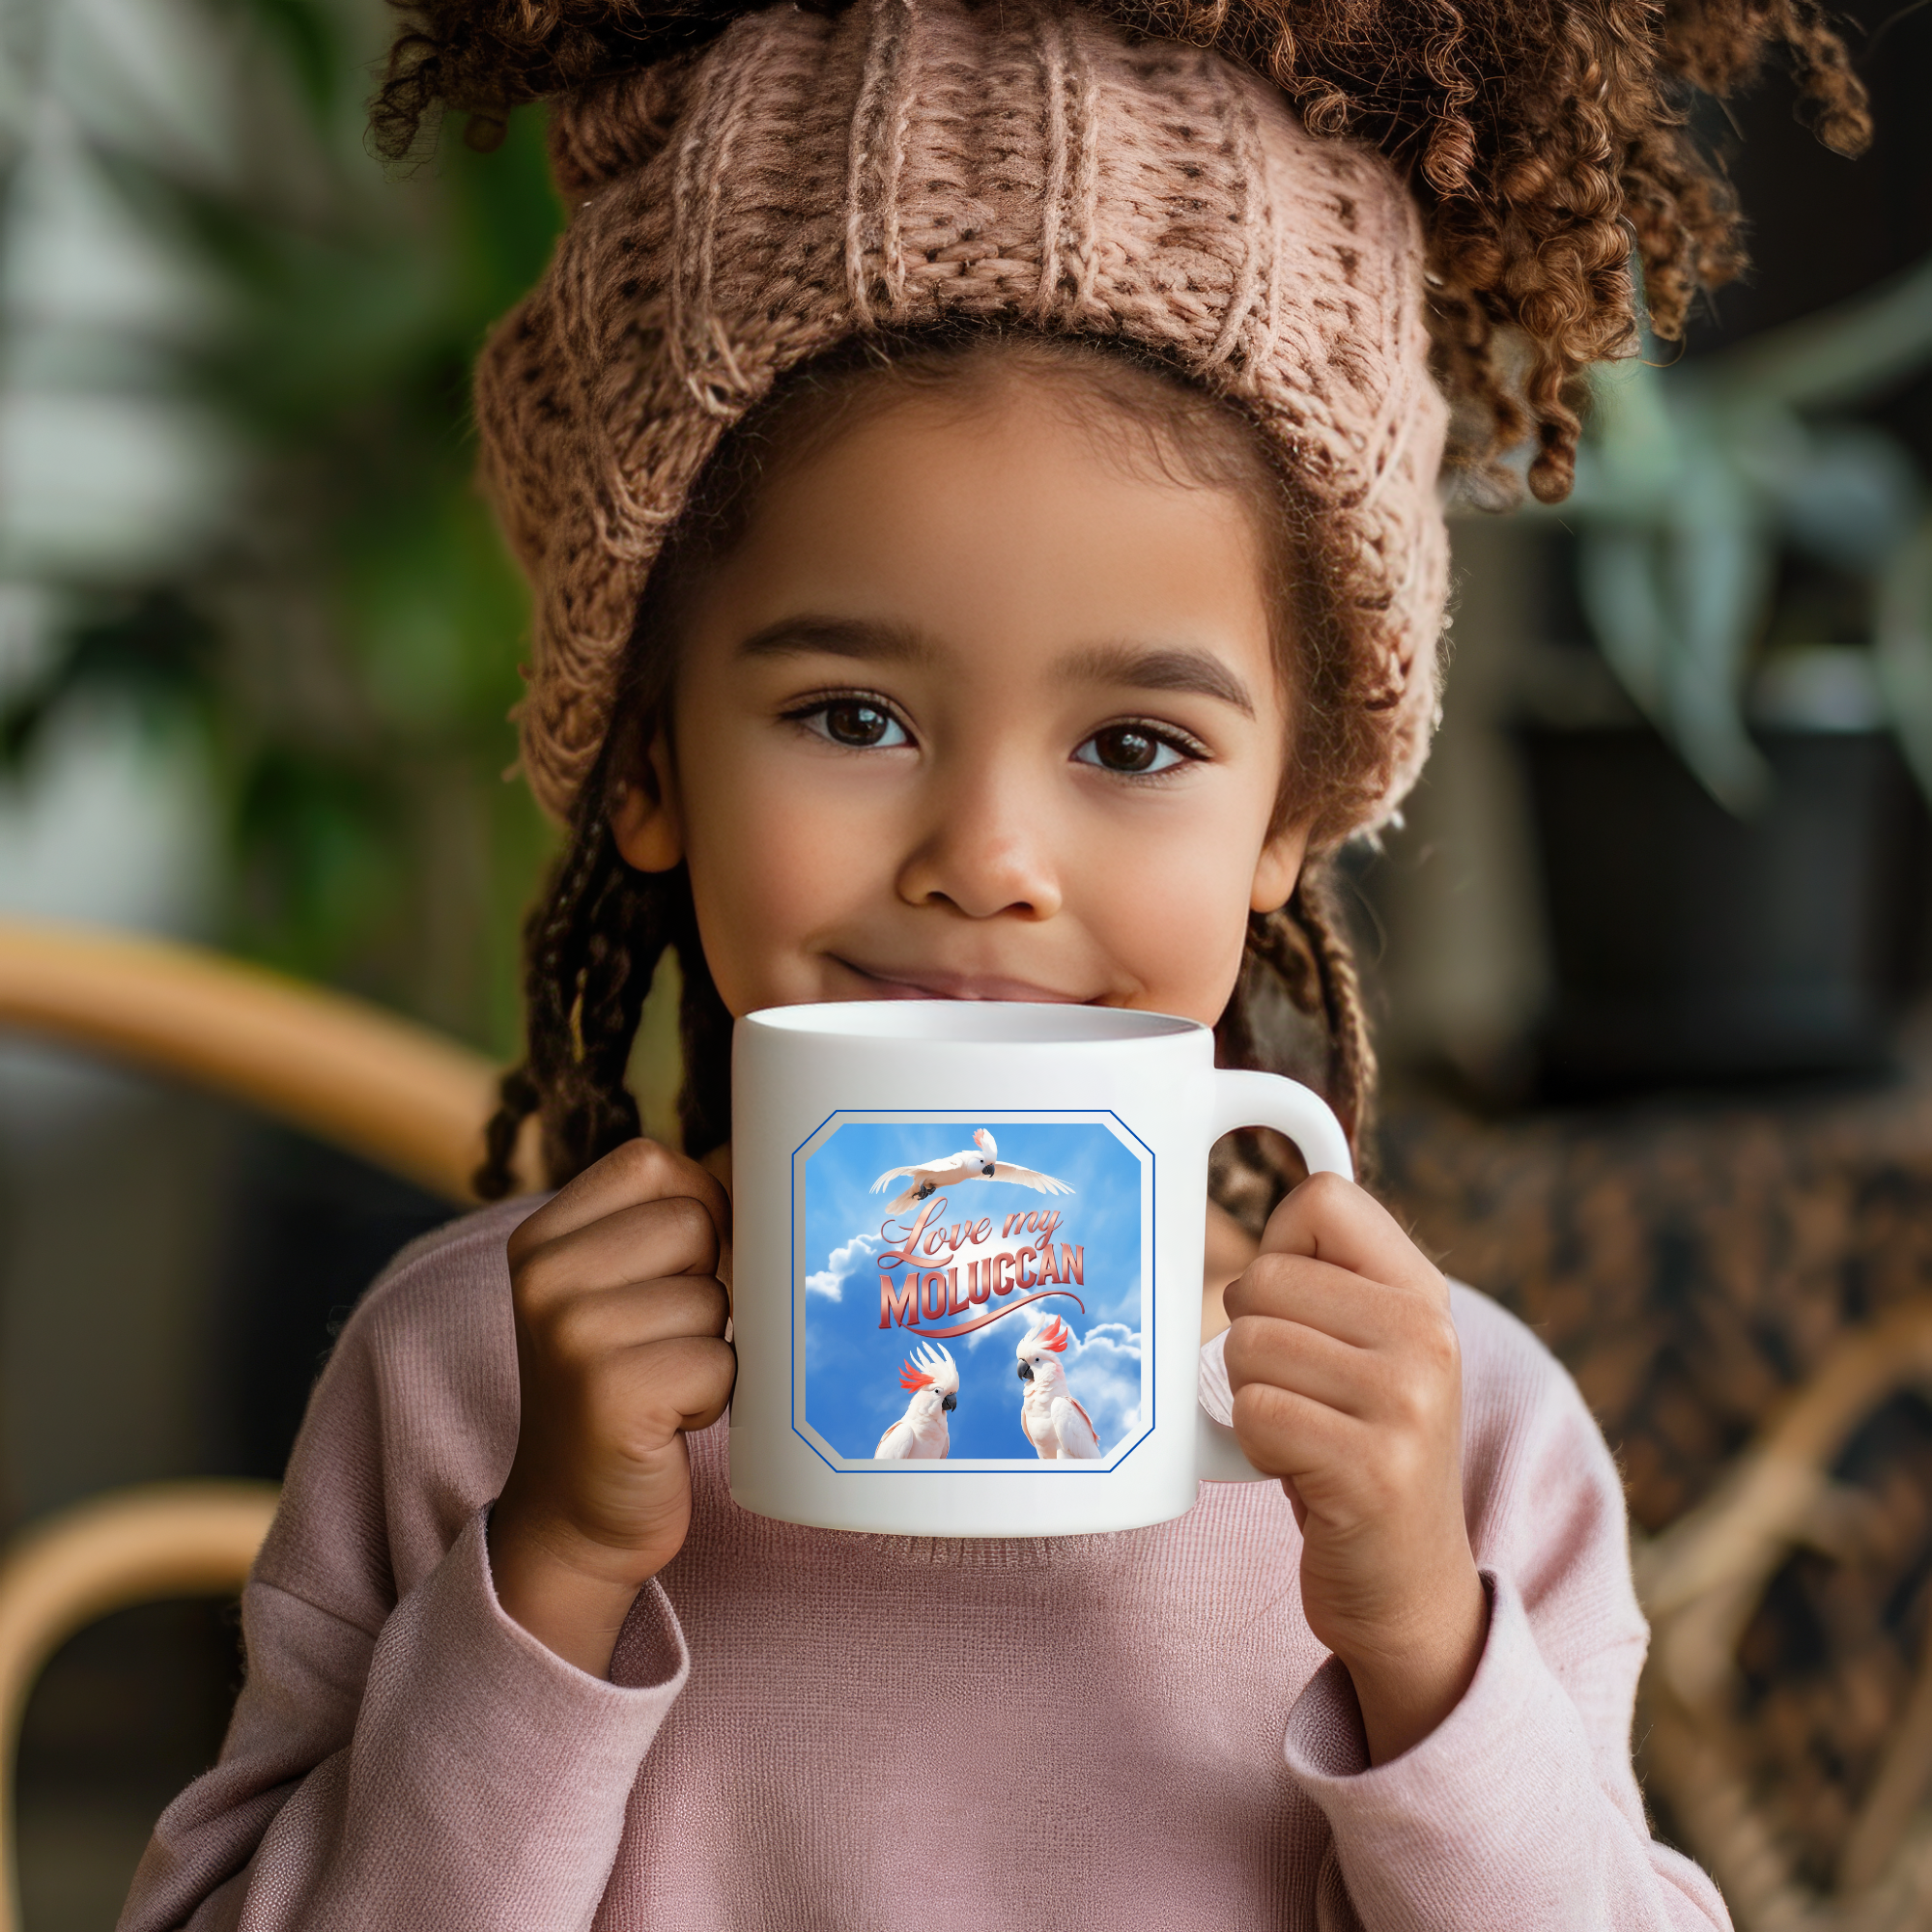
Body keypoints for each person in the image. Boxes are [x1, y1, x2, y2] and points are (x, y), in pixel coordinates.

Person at [119, 0, 1868, 1923]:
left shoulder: (1455, 1449)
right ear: (648, 763)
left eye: (1135, 744)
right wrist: (540, 1582)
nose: (985, 859)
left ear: (1291, 815)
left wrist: (1425, 1646)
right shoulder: (473, 1390)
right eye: (852, 715)